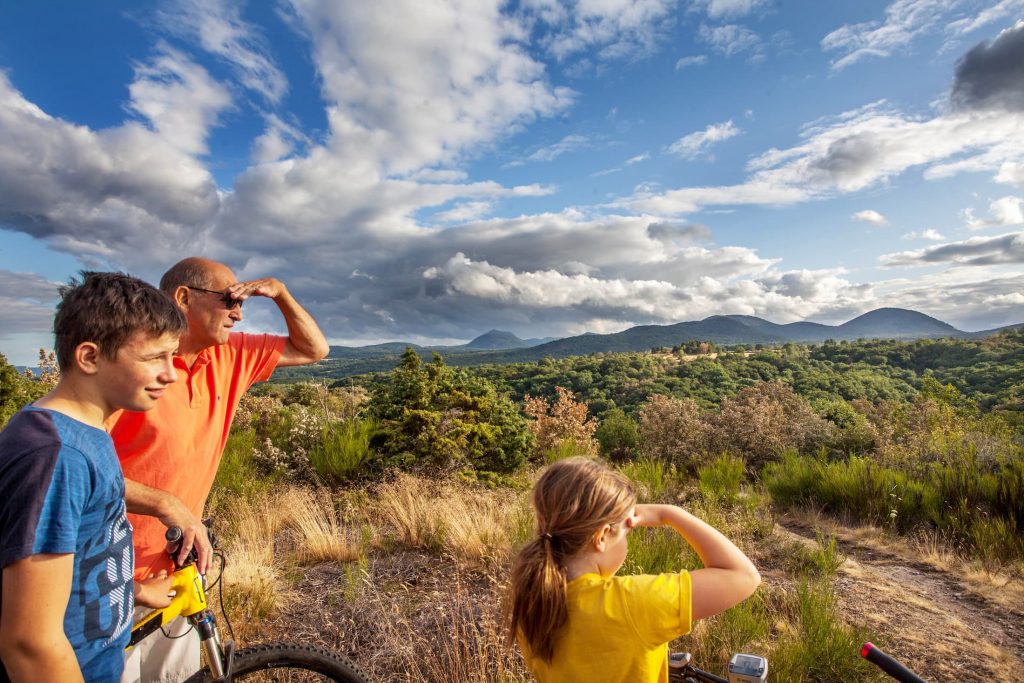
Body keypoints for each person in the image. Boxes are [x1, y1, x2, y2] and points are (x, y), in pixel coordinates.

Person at [109, 257, 329, 683]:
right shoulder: (133, 367)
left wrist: (280, 293)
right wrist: (167, 504)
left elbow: (313, 349)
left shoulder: (230, 355)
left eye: (241, 301)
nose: (238, 311)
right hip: (113, 569)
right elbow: (76, 466)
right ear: (183, 298)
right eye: (228, 298)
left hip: (177, 567)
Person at [0, 272, 185, 683]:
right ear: (89, 357)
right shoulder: (55, 454)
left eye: (172, 356)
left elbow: (76, 559)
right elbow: (29, 643)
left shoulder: (88, 433)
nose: (171, 374)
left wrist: (134, 591)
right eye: (155, 357)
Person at [506, 457, 761, 683]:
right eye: (627, 533)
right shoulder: (630, 604)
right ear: (602, 536)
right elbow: (743, 575)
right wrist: (670, 514)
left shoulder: (531, 598)